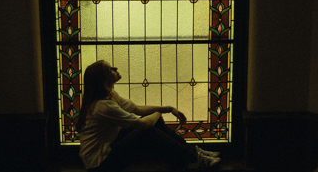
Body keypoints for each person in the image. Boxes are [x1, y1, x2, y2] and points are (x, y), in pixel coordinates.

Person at [77, 60, 221, 171]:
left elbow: (137, 109)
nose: (115, 68)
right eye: (110, 69)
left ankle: (193, 153)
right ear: (103, 80)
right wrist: (158, 113)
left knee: (152, 123)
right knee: (147, 131)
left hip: (106, 150)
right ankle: (194, 159)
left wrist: (169, 109)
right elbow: (144, 124)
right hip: (100, 164)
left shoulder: (110, 95)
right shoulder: (103, 106)